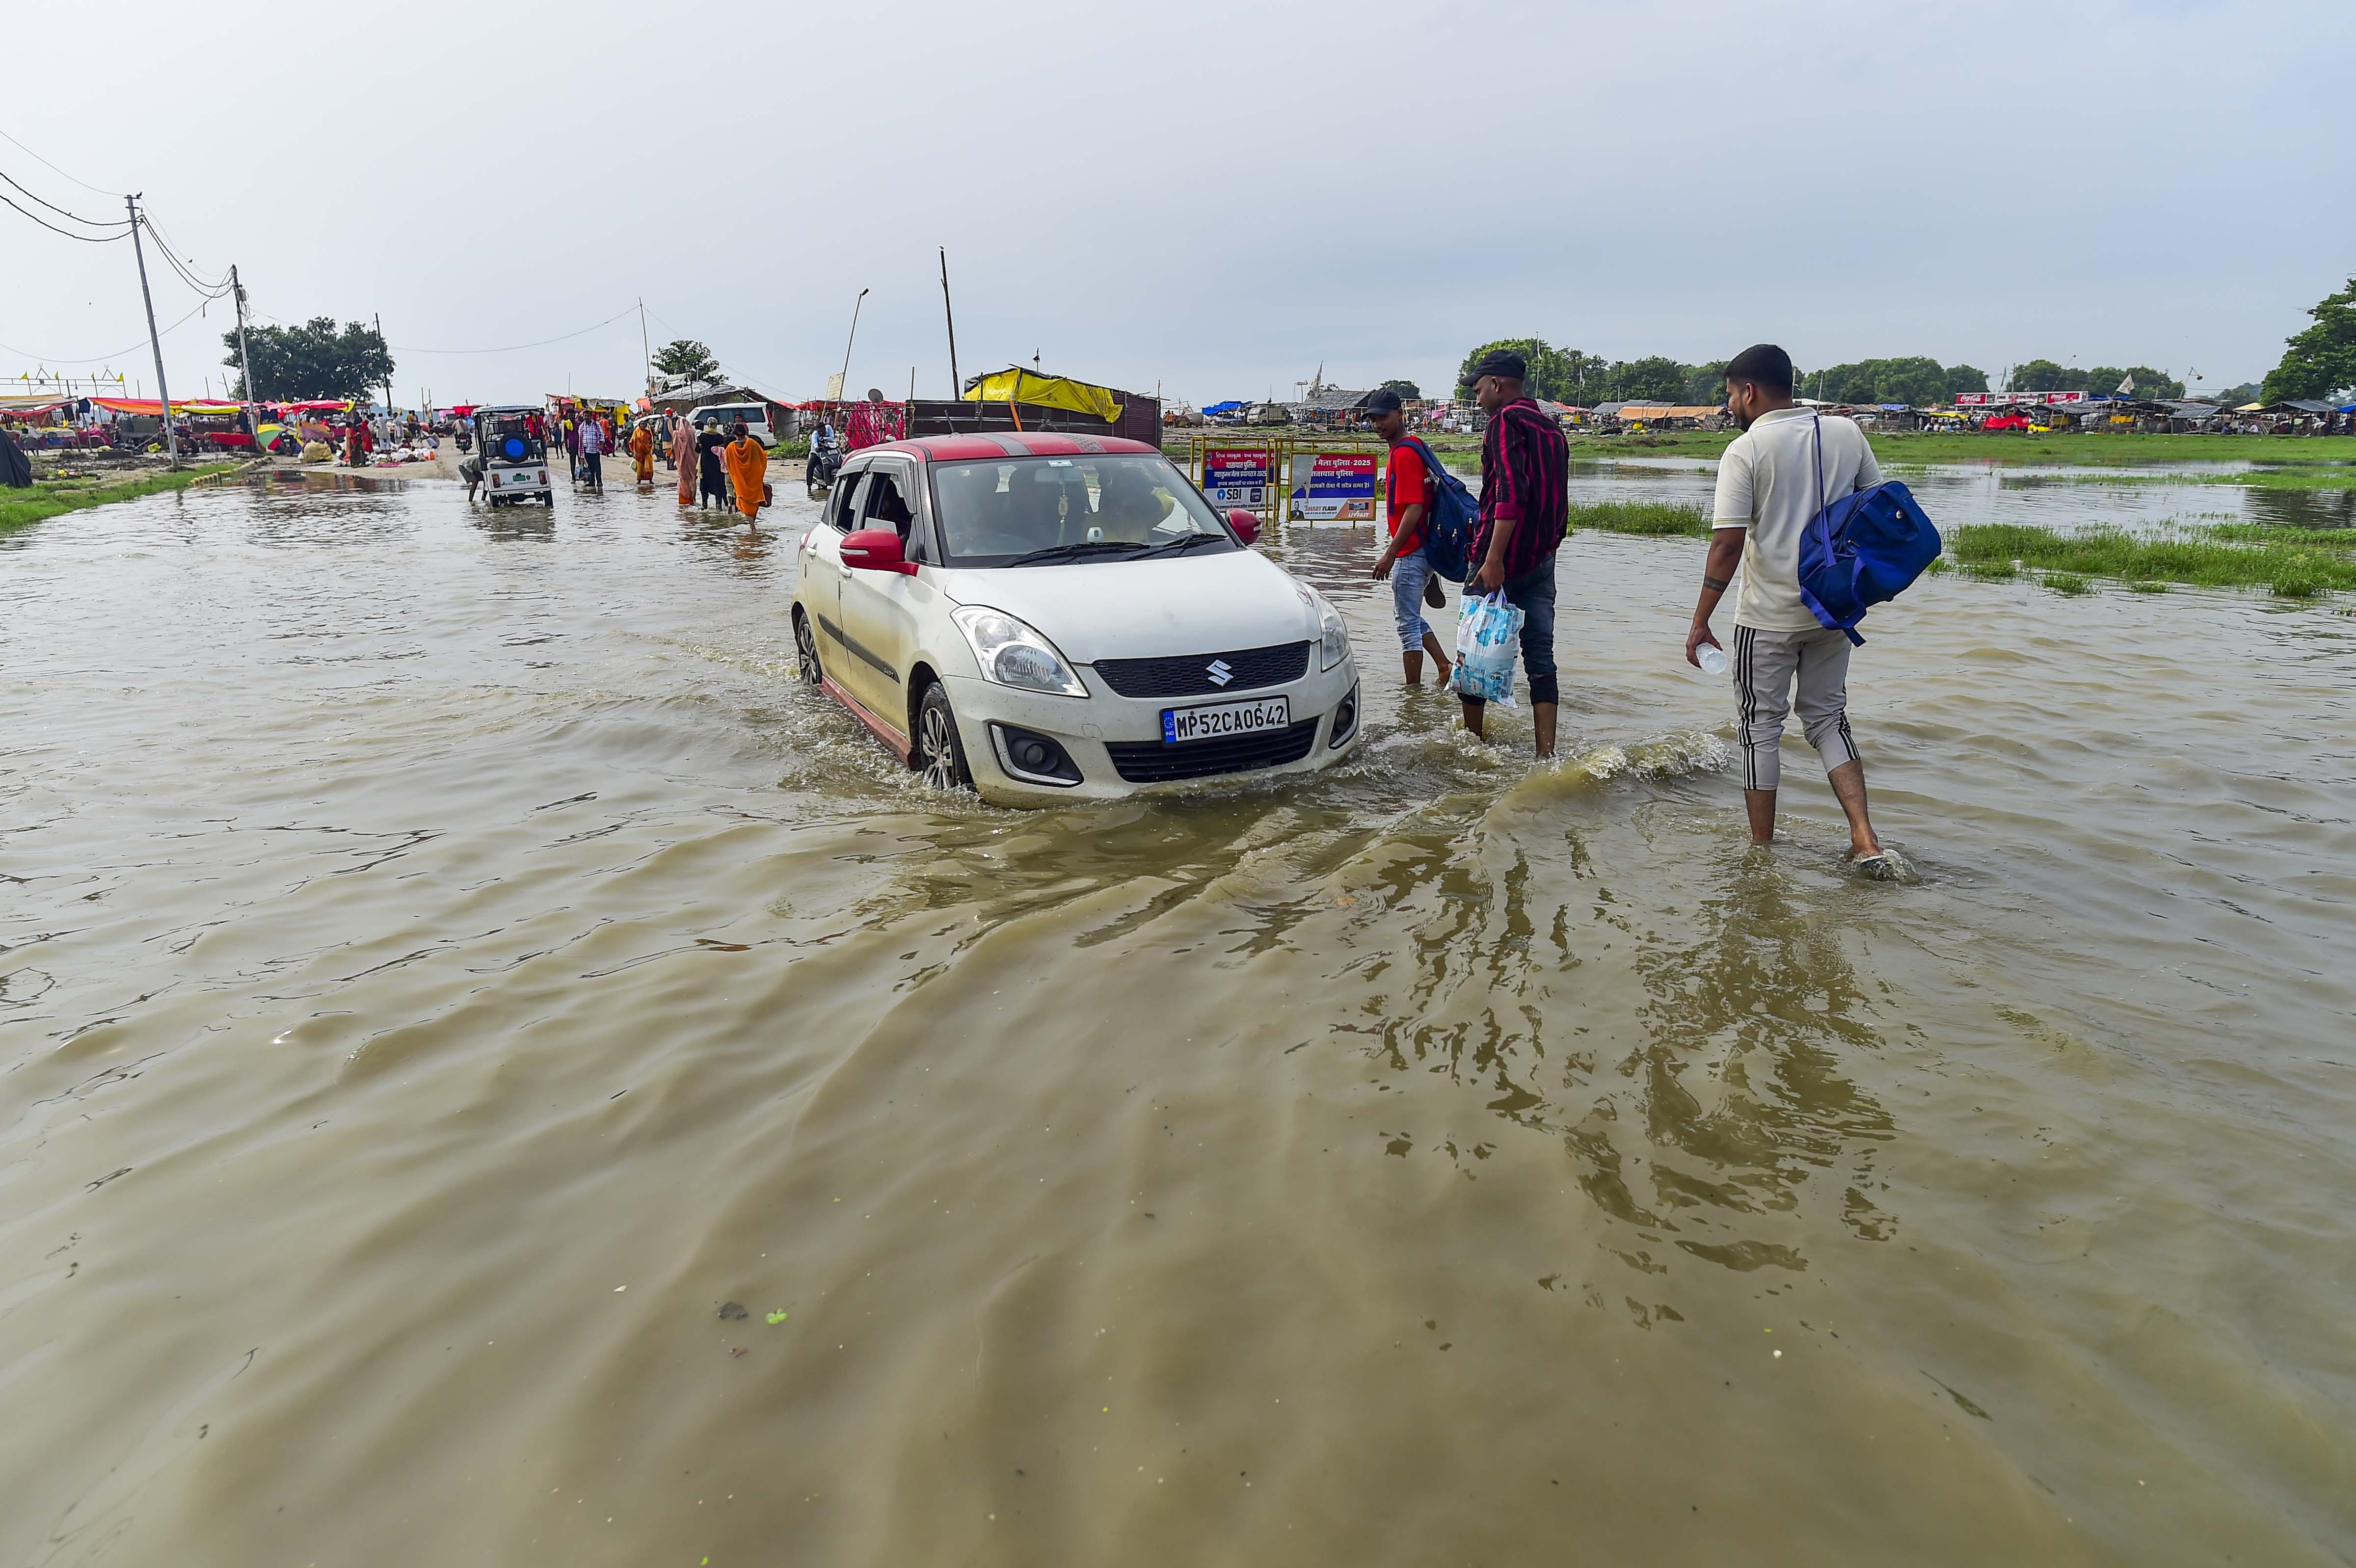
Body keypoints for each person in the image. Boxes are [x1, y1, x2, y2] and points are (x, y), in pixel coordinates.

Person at [1684, 343, 1890, 871]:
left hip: (1767, 616)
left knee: (1760, 729)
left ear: (1749, 392)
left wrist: (1700, 619)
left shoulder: (1746, 450)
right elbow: (1875, 508)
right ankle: (1865, 839)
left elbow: (1727, 545)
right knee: (1828, 719)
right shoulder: (1845, 432)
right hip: (1832, 609)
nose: (1730, 405)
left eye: (1731, 395)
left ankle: (1761, 854)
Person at [1458, 348, 1569, 756]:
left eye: (1479, 388)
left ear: (1497, 384)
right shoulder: (1552, 429)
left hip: (1497, 560)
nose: (1477, 397)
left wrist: (1493, 559)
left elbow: (1510, 494)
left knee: (1474, 654)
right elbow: (1559, 504)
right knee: (1541, 658)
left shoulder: (1504, 422)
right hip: (1541, 561)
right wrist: (1547, 552)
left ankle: (1472, 746)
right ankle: (1546, 755)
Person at [1364, 389, 1452, 688]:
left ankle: (1412, 692)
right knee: (1409, 617)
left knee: (1406, 626)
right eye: (1373, 420)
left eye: (1383, 418)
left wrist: (1391, 553)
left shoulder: (1403, 453)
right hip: (1424, 546)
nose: (1378, 425)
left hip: (1411, 550)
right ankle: (1443, 666)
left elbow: (1414, 508)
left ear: (1400, 414)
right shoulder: (1414, 445)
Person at [723, 419, 768, 529]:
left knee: (744, 502)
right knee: (754, 502)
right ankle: (753, 524)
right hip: (753, 479)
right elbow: (763, 457)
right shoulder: (753, 444)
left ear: (735, 433)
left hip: (740, 480)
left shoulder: (730, 448)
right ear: (745, 432)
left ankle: (752, 526)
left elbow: (728, 463)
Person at [696, 419, 729, 507]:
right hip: (717, 464)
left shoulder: (702, 437)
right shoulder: (720, 438)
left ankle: (704, 505)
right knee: (718, 483)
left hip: (705, 463)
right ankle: (719, 505)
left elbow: (697, 450)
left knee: (704, 483)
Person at [577, 409, 606, 492]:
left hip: (596, 450)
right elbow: (581, 440)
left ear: (591, 417)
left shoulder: (596, 425)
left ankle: (599, 481)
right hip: (587, 450)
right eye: (585, 416)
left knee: (597, 466)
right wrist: (581, 455)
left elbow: (601, 435)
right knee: (590, 467)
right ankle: (592, 481)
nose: (586, 418)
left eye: (588, 416)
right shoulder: (581, 427)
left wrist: (602, 444)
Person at [674, 413, 697, 505]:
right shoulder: (692, 434)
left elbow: (676, 449)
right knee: (692, 480)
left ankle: (685, 500)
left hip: (682, 463)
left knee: (683, 480)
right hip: (693, 462)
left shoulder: (676, 435)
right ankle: (693, 500)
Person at [629, 419, 655, 487]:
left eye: (644, 424)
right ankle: (639, 480)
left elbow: (651, 441)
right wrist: (634, 452)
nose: (643, 425)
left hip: (648, 452)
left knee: (650, 467)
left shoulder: (649, 433)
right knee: (640, 467)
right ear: (639, 425)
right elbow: (632, 442)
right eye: (641, 424)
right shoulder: (636, 432)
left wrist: (650, 448)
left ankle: (650, 479)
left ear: (646, 425)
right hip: (639, 453)